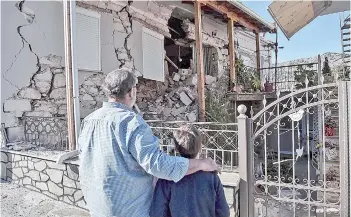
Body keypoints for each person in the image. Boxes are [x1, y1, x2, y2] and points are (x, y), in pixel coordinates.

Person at [78, 68, 218, 217]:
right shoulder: (131, 122)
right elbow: (156, 164)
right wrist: (202, 164)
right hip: (129, 210)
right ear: (132, 92)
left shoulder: (89, 121)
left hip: (98, 207)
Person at [150, 125, 230, 217]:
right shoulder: (212, 178)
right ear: (200, 147)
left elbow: (157, 213)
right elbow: (224, 213)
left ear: (176, 148)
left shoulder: (167, 178)